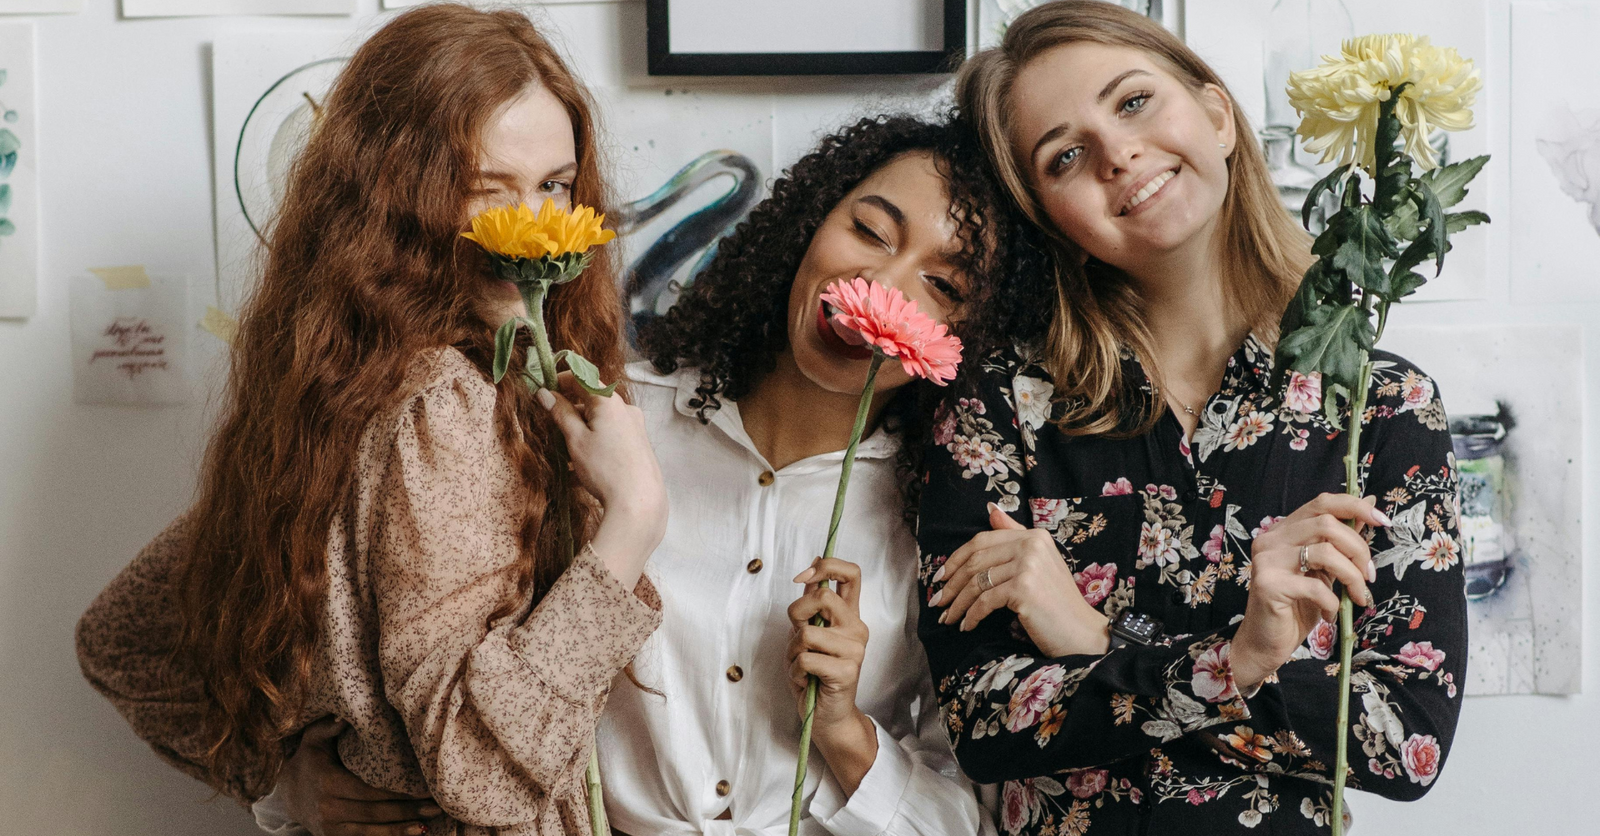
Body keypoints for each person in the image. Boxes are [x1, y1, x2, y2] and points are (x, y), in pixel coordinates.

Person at [269, 115, 1046, 836]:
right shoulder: (601, 415)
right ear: (810, 223)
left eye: (944, 286)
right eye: (871, 231)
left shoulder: (953, 524)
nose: (887, 289)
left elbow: (972, 819)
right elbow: (322, 612)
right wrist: (287, 790)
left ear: (971, 335)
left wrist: (846, 732)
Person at [74, 6, 667, 836]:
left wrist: (283, 788)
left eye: (554, 187)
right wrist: (630, 524)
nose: (532, 231)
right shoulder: (442, 404)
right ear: (397, 199)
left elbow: (116, 637)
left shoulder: (342, 393)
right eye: (485, 190)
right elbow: (481, 773)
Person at [915, 3, 1467, 834]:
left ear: (1215, 114)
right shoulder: (999, 406)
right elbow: (984, 726)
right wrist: (1241, 663)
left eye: (1132, 102)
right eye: (1065, 155)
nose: (1117, 154)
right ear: (1046, 212)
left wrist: (1097, 636)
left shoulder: (1382, 406)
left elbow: (1406, 741)